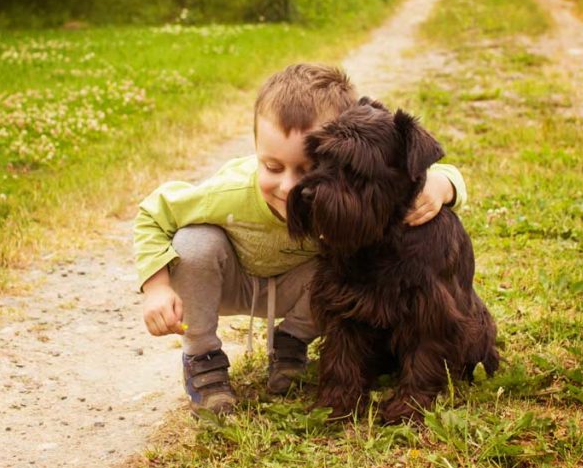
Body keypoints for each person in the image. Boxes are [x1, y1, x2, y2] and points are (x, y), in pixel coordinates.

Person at [132, 63, 466, 415]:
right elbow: (153, 212)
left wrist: (440, 184)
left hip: (295, 288)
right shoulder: (230, 191)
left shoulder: (345, 198)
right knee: (193, 244)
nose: (291, 186)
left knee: (343, 267)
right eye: (272, 167)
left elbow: (403, 168)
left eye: (311, 167)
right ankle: (202, 358)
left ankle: (290, 343)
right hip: (233, 280)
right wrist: (156, 287)